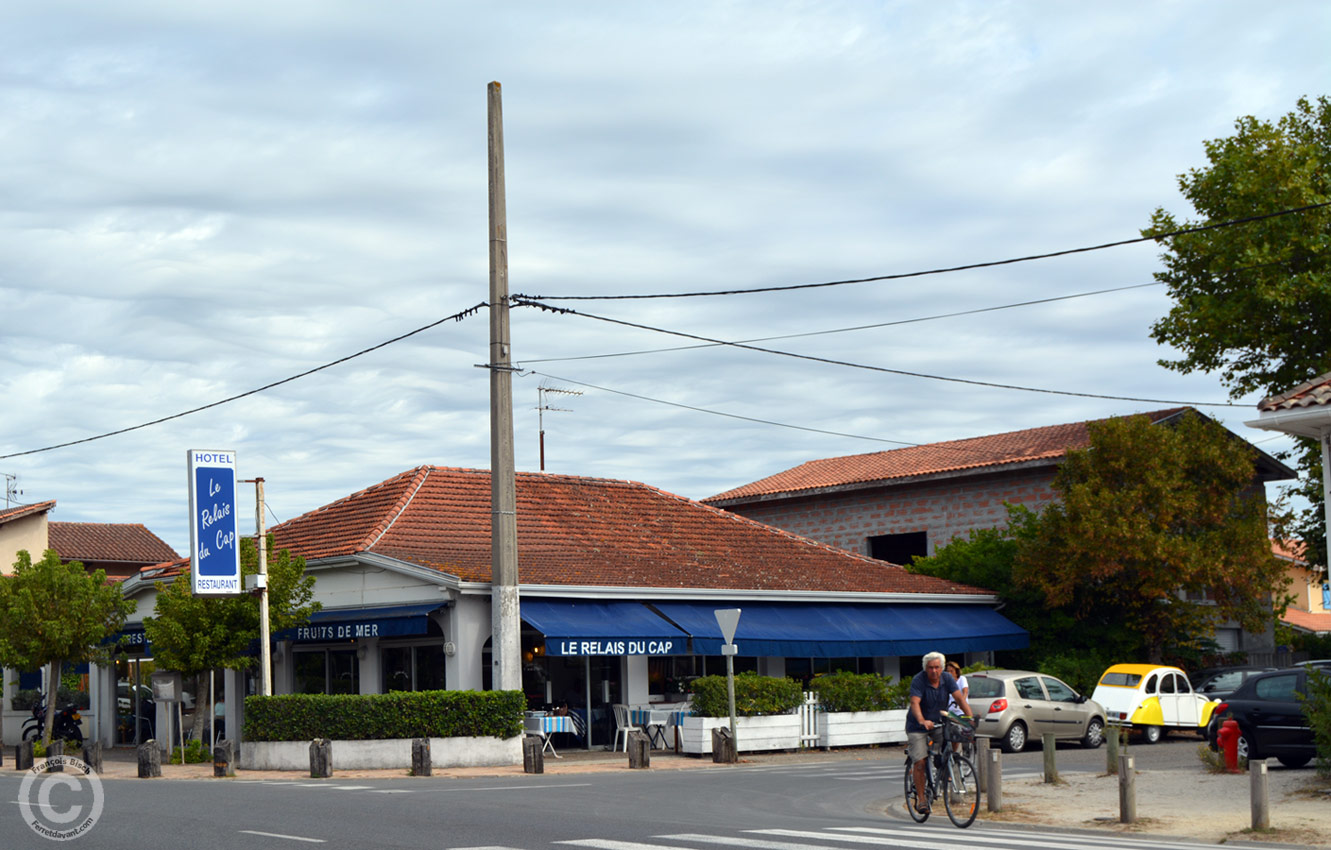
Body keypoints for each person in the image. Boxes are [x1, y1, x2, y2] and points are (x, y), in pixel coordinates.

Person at [907, 651, 973, 814]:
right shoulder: (919, 680)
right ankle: (922, 799)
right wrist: (922, 720)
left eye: (937, 667)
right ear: (925, 669)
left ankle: (943, 764)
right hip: (917, 725)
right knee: (920, 762)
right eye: (930, 668)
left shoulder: (947, 679)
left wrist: (969, 718)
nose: (934, 671)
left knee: (953, 734)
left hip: (938, 721)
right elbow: (915, 702)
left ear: (942, 668)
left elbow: (959, 699)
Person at [945, 660, 969, 753]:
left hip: (959, 712)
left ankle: (954, 754)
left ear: (956, 672)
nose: (949, 673)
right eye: (948, 671)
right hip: (949, 712)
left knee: (956, 735)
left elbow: (965, 691)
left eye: (952, 671)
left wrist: (961, 702)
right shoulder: (946, 682)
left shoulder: (962, 679)